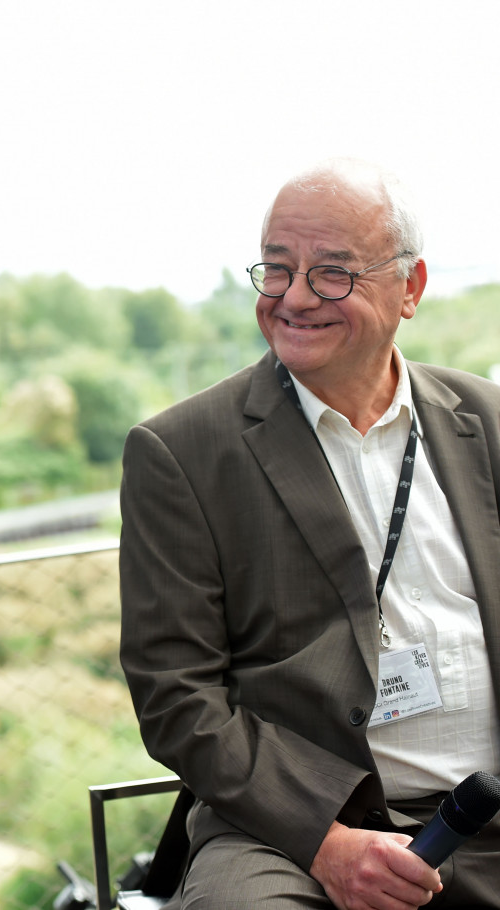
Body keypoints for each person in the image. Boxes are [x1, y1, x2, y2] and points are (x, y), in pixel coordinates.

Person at [120, 158, 500, 909]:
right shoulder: (184, 452)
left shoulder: (486, 422)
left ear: (411, 288)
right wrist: (325, 843)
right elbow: (176, 699)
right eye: (278, 269)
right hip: (292, 831)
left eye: (331, 274)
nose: (293, 298)